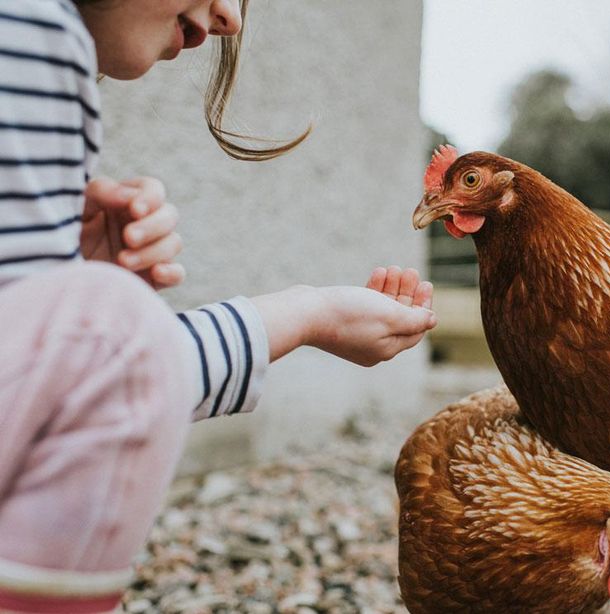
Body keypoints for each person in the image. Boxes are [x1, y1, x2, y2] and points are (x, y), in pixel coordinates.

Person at [0, 1, 437, 612]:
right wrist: (307, 314)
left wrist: (72, 287)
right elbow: (115, 367)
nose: (231, 16)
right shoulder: (32, 32)